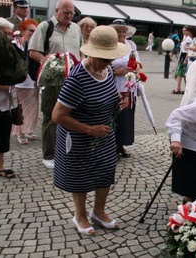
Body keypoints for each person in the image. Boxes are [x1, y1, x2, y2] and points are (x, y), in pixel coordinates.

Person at [51, 25, 129, 236]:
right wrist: (89, 129)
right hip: (80, 136)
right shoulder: (77, 79)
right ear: (91, 53)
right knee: (81, 176)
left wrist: (118, 102)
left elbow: (106, 95)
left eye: (111, 58)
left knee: (105, 171)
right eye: (104, 58)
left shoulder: (107, 70)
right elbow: (57, 116)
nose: (109, 62)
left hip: (104, 134)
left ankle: (99, 212)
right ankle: (80, 216)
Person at [29, 0, 83, 169]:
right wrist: (47, 60)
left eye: (72, 13)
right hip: (53, 81)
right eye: (66, 12)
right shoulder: (45, 27)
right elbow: (33, 51)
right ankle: (49, 155)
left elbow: (80, 51)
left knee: (72, 116)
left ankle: (69, 151)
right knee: (51, 117)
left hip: (73, 80)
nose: (69, 16)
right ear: (57, 11)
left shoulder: (76, 28)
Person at [108, 19, 140, 158]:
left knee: (126, 116)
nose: (121, 34)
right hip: (114, 85)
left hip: (129, 86)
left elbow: (137, 61)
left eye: (123, 31)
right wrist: (118, 71)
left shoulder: (131, 44)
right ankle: (111, 145)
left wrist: (137, 68)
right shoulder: (110, 45)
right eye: (118, 31)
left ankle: (121, 143)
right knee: (114, 115)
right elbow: (105, 64)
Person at [0, 18, 17, 178]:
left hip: (6, 103)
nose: (8, 36)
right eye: (4, 33)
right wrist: (5, 86)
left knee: (2, 134)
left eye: (10, 33)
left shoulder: (11, 51)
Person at [10, 18, 39, 145]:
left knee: (32, 110)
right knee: (19, 109)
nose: (33, 33)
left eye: (35, 31)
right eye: (30, 31)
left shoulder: (36, 46)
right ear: (23, 31)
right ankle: (20, 133)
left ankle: (29, 129)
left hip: (32, 82)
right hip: (19, 82)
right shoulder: (15, 44)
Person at [173, 26, 190, 94]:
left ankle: (183, 88)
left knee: (183, 73)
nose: (183, 32)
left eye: (185, 30)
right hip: (182, 54)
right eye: (183, 30)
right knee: (180, 73)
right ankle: (179, 87)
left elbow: (188, 49)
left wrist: (186, 59)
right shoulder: (184, 37)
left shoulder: (188, 39)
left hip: (185, 55)